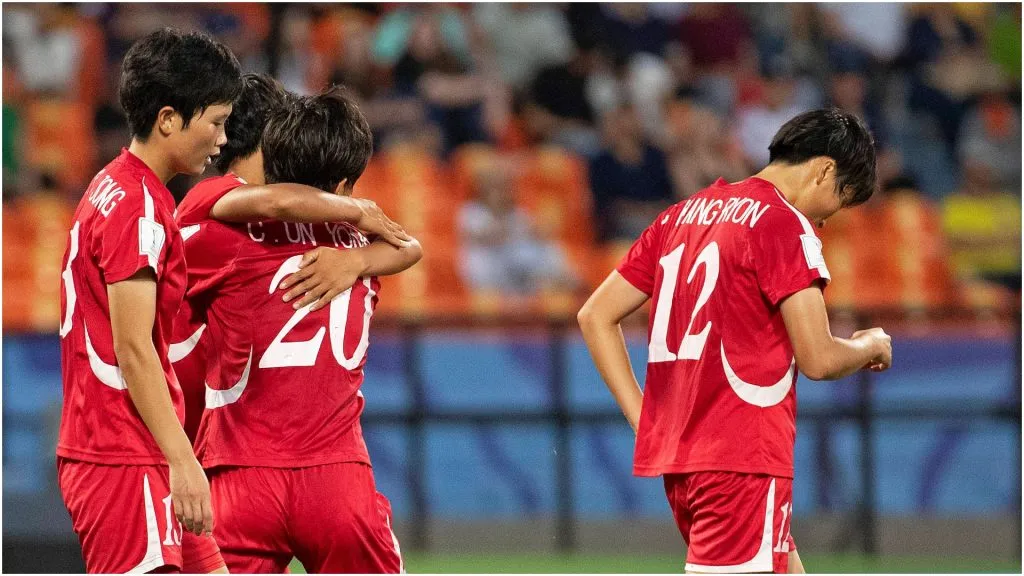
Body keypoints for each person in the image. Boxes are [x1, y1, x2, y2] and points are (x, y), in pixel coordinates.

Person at [577, 108, 892, 574]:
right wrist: (870, 344)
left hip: (687, 463)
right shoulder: (783, 223)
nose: (826, 221)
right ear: (825, 169)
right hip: (742, 458)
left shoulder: (680, 216)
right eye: (841, 199)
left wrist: (647, 421)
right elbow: (819, 358)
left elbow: (595, 315)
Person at [178, 86, 418, 573]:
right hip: (336, 478)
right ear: (347, 182)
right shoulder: (358, 253)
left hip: (238, 476)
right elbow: (410, 247)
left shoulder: (221, 236)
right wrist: (359, 247)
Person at [56, 28, 240, 574]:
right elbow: (133, 348)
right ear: (168, 119)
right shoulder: (136, 207)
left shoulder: (113, 185)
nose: (222, 139)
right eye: (216, 121)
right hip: (121, 452)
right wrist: (185, 460)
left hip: (139, 449)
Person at [170, 73, 411, 445]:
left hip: (227, 426)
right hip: (198, 424)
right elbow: (276, 200)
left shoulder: (291, 226)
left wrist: (357, 261)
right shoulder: (219, 203)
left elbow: (410, 247)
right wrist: (356, 210)